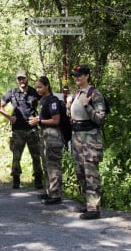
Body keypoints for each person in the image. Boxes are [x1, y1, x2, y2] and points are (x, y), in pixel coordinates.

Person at [66, 64, 107, 220]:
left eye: (80, 75)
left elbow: (100, 118)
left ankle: (94, 208)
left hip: (90, 138)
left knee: (91, 173)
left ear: (87, 76)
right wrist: (69, 106)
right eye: (75, 75)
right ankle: (87, 203)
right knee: (80, 172)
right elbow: (72, 116)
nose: (77, 78)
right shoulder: (77, 93)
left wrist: (87, 105)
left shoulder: (94, 94)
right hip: (77, 137)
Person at [0, 70, 44, 189]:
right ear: (16, 80)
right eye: (19, 79)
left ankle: (38, 179)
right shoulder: (12, 93)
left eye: (23, 78)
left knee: (36, 155)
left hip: (32, 129)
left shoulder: (35, 92)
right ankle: (16, 179)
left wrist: (39, 118)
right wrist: (9, 117)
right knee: (16, 156)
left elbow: (46, 103)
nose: (21, 81)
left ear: (27, 78)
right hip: (17, 129)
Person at [28, 76, 64, 205]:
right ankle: (49, 191)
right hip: (45, 135)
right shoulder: (43, 101)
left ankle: (56, 195)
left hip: (53, 136)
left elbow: (56, 120)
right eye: (36, 87)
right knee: (47, 165)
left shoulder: (52, 100)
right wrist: (38, 118)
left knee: (53, 166)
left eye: (40, 87)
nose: (37, 89)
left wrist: (39, 120)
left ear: (47, 86)